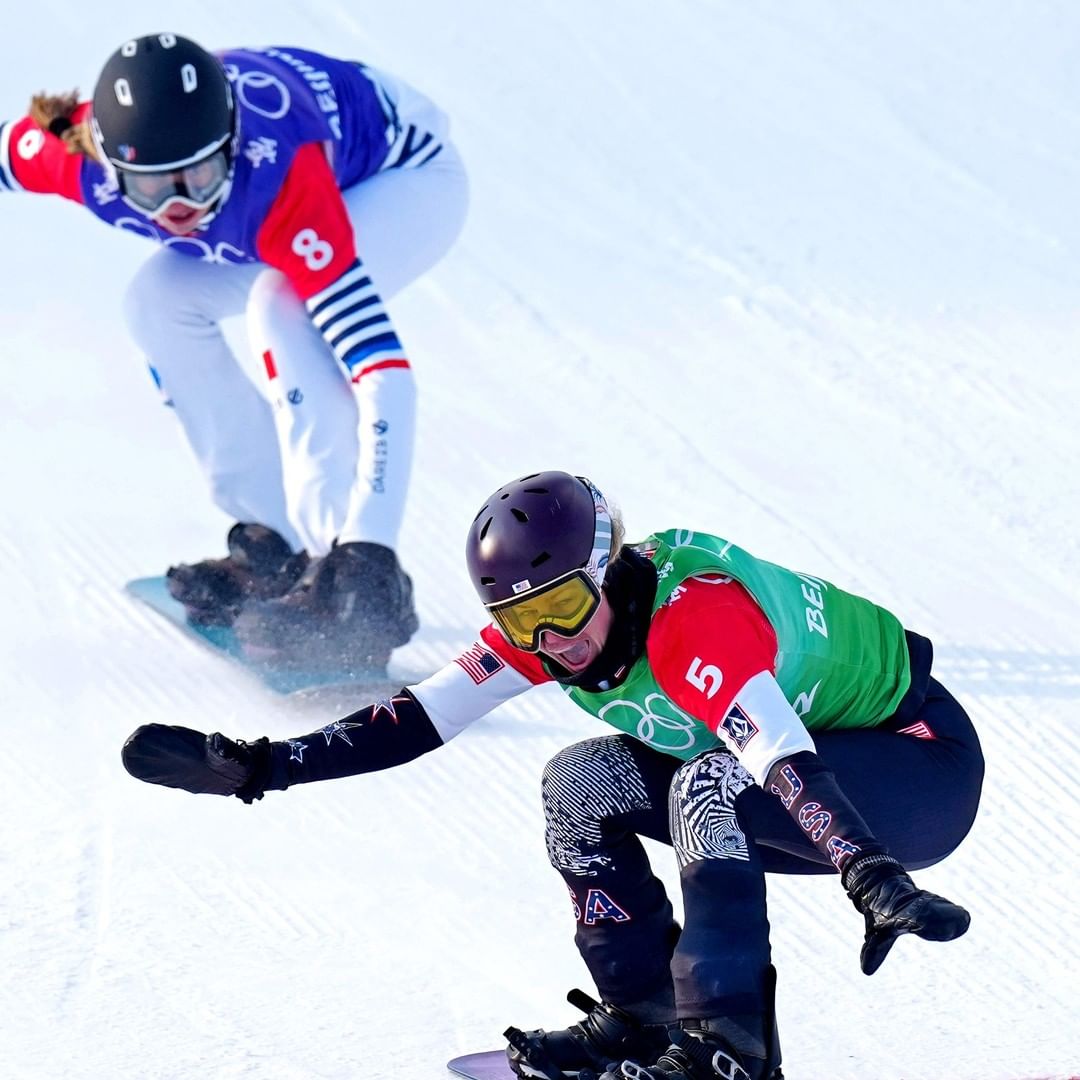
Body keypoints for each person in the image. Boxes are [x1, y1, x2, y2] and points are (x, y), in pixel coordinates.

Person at [121, 471, 984, 1080]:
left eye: (562, 608)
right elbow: (417, 719)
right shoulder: (552, 628)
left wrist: (870, 873)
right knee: (579, 782)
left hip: (914, 767)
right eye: (520, 619)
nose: (551, 641)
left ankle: (729, 1051)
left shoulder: (697, 625)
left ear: (609, 573)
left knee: (706, 781)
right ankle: (646, 1021)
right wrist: (267, 766)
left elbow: (781, 760)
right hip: (819, 773)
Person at [0, 33, 469, 669]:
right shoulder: (72, 154)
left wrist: (371, 546)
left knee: (281, 308)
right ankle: (275, 546)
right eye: (151, 188)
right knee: (156, 303)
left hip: (406, 179)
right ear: (108, 168)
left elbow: (382, 371)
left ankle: (338, 576)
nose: (178, 209)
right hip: (270, 196)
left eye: (197, 177)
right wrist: (202, 185)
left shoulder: (280, 176)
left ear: (232, 146)